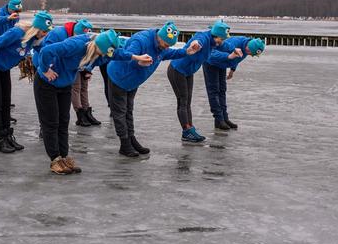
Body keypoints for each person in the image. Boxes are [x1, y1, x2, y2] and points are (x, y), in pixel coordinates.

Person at [35, 29, 152, 175]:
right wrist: (45, 69)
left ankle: (63, 157)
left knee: (64, 121)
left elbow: (115, 54)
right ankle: (55, 159)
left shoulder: (100, 47)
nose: (102, 57)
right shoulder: (77, 44)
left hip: (64, 84)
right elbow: (46, 51)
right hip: (46, 84)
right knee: (51, 122)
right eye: (102, 53)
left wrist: (135, 57)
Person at [107, 22, 201, 156]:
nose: (166, 48)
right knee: (120, 112)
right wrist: (137, 60)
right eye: (166, 44)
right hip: (119, 78)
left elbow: (170, 54)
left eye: (169, 45)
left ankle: (131, 139)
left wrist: (186, 51)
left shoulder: (161, 46)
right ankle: (124, 144)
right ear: (160, 37)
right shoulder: (141, 41)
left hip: (132, 82)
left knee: (129, 110)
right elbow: (125, 55)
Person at [0, 11, 53, 153]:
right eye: (44, 31)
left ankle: (7, 135)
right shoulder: (17, 32)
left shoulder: (34, 39)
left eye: (47, 32)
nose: (45, 34)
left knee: (6, 102)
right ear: (37, 28)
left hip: (4, 69)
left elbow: (44, 50)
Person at [167, 20, 231, 143]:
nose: (221, 42)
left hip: (188, 72)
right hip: (177, 70)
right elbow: (198, 40)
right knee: (183, 101)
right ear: (216, 35)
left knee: (188, 102)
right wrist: (195, 44)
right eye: (221, 39)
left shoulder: (214, 42)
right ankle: (186, 131)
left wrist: (234, 50)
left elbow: (224, 45)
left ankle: (190, 129)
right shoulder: (204, 38)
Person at [35, 18, 97, 126]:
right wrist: (46, 69)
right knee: (50, 110)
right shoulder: (57, 33)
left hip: (70, 66)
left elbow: (90, 53)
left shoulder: (84, 40)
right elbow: (45, 51)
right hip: (47, 67)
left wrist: (87, 69)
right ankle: (44, 126)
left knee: (82, 86)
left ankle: (85, 112)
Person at [203, 37, 265, 130]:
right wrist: (228, 56)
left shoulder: (247, 48)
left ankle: (224, 118)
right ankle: (219, 119)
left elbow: (236, 59)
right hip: (210, 63)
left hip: (222, 65)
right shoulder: (235, 43)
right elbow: (212, 52)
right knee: (214, 91)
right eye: (250, 53)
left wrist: (232, 70)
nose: (251, 55)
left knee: (222, 90)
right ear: (249, 47)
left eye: (253, 54)